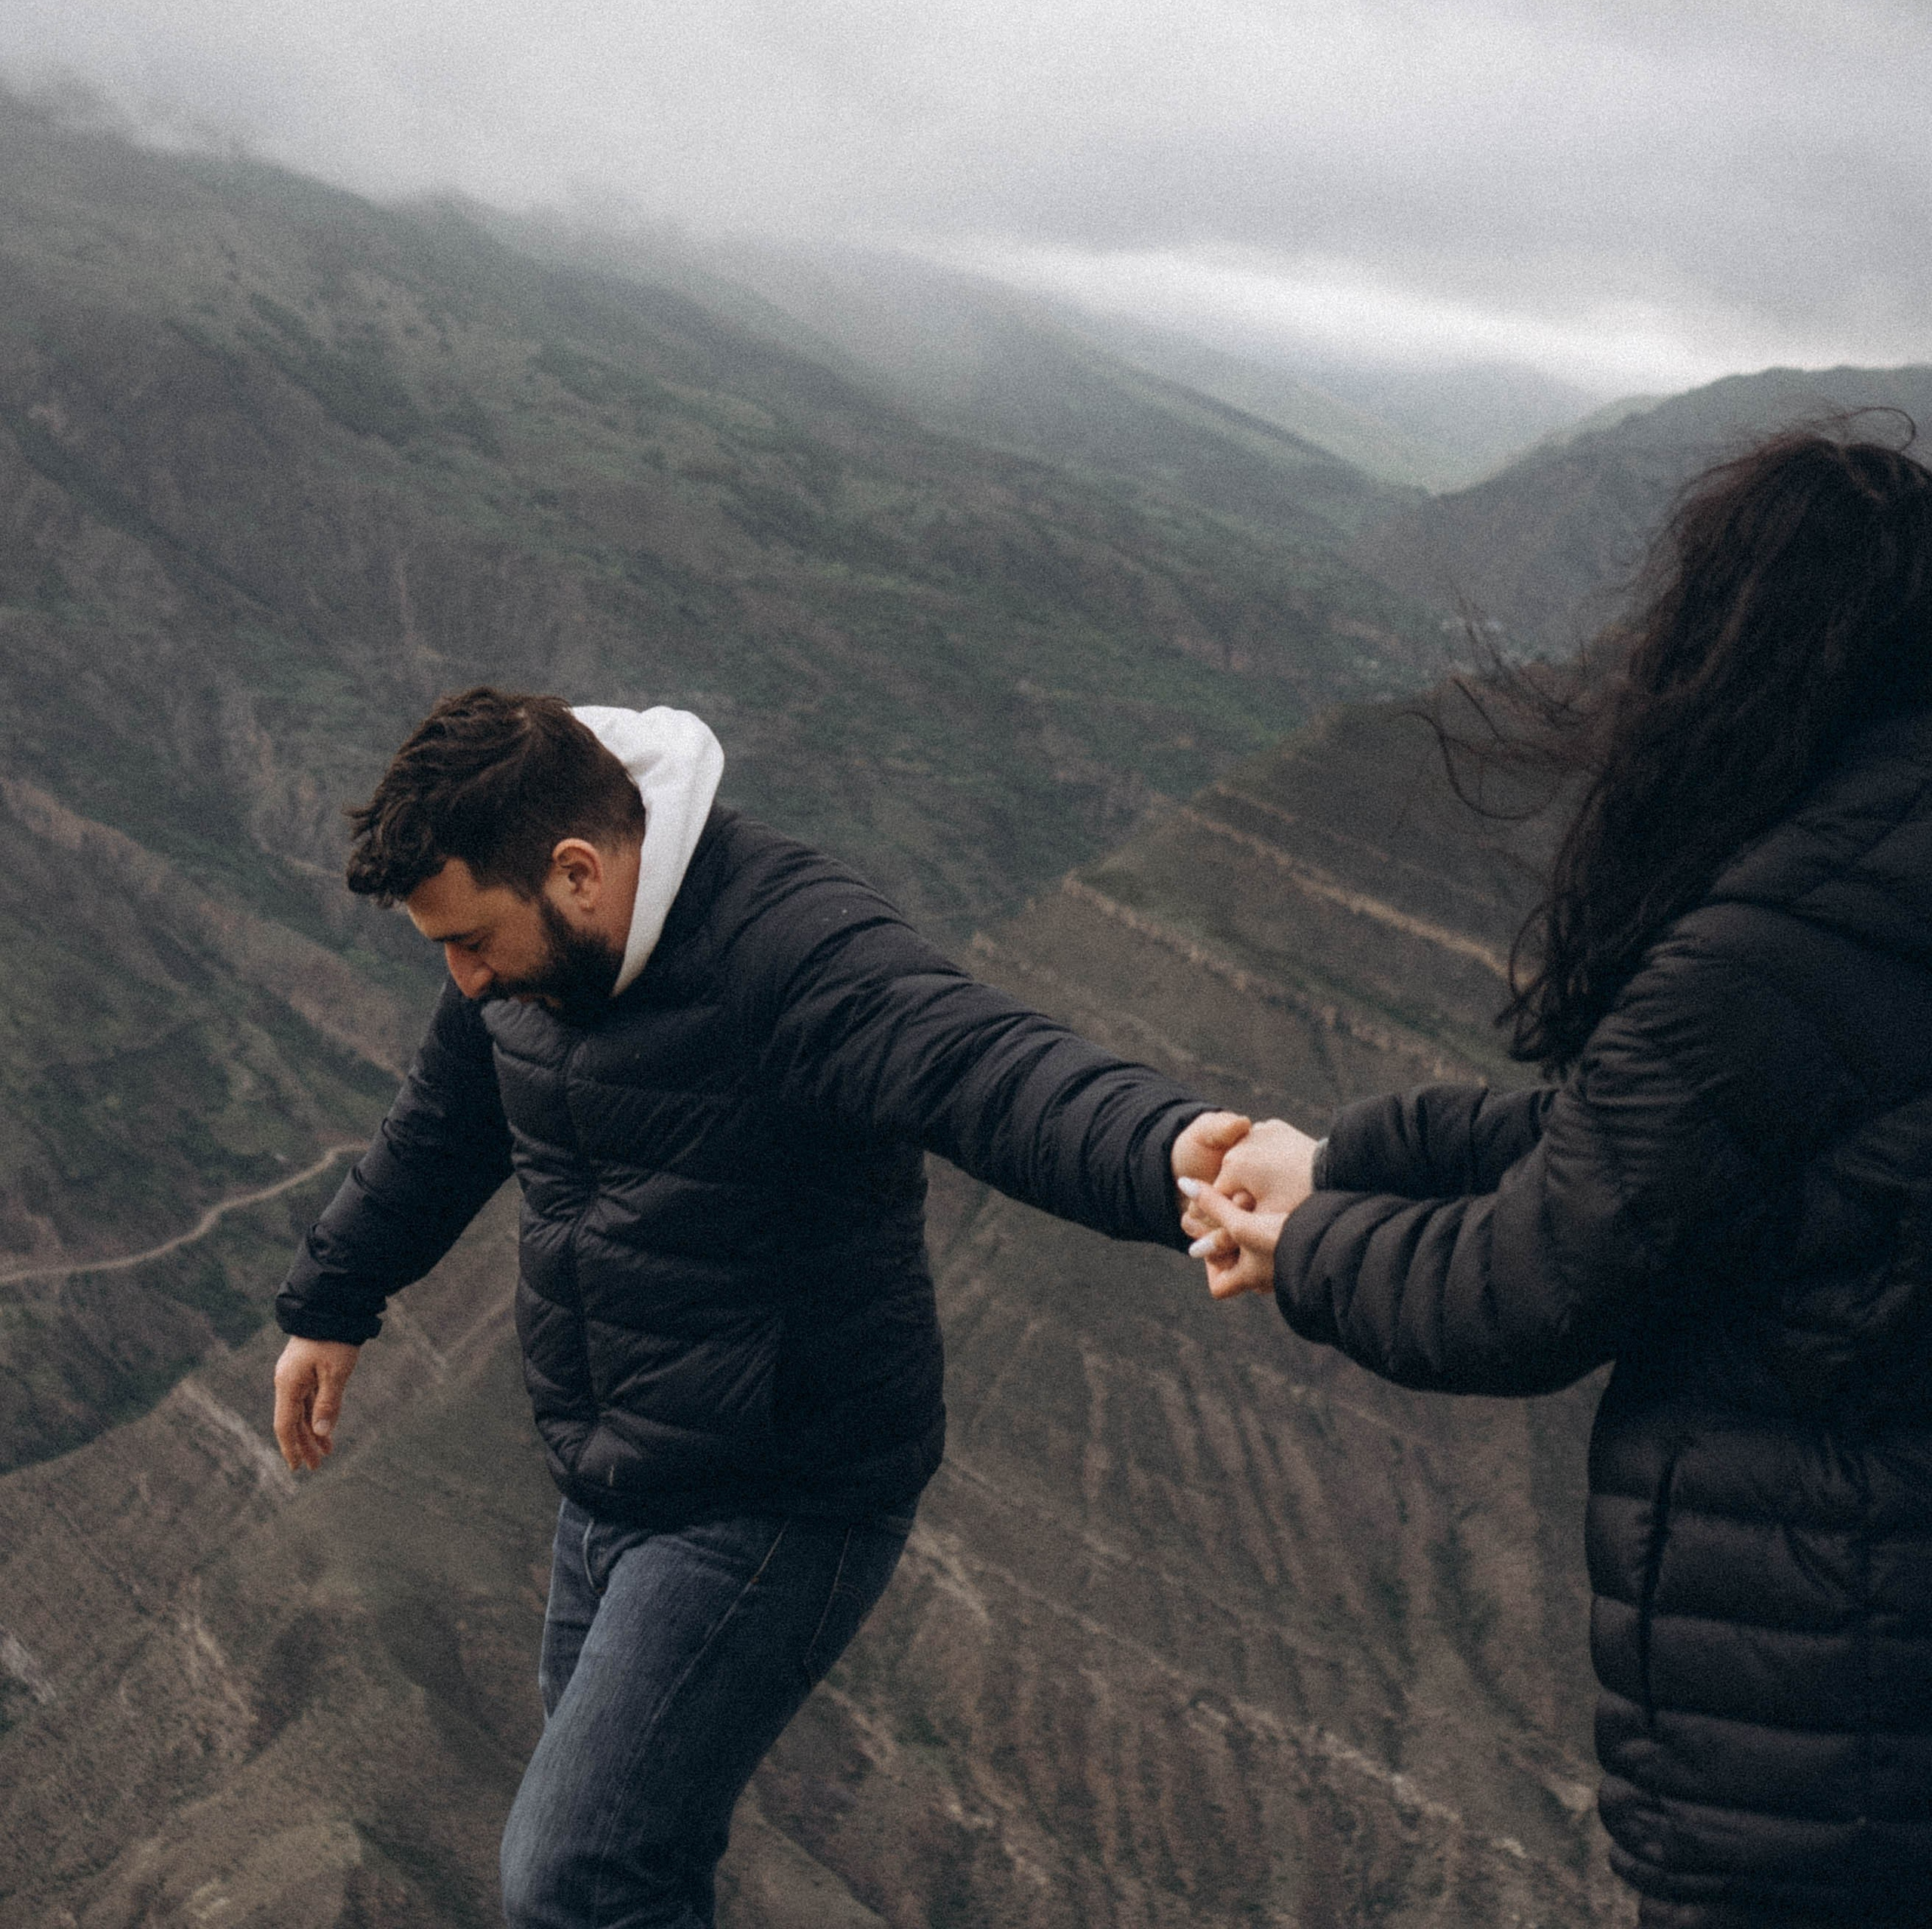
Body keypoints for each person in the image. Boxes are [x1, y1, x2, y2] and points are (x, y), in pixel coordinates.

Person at [271, 687, 1245, 1929]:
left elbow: (985, 1067)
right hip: (612, 1475)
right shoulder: (519, 957)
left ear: (576, 871)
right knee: (637, 1868)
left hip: (778, 1491)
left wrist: (1175, 1155)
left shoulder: (787, 946)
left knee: (572, 1877)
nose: (462, 984)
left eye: (470, 943)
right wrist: (335, 1297)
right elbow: (442, 1128)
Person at [1181, 429, 1932, 1929]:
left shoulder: (1764, 952)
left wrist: (1301, 1244)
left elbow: (1523, 1290)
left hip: (1805, 1736)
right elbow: (1654, 1152)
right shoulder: (1877, 892)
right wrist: (1349, 1158)